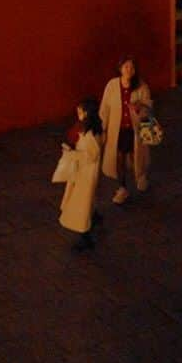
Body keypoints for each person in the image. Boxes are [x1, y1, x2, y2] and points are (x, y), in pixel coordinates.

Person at [100, 57, 154, 204]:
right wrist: (102, 128)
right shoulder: (112, 85)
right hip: (118, 131)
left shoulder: (141, 86)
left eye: (131, 67)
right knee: (120, 158)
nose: (128, 70)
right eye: (126, 67)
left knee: (136, 156)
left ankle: (140, 176)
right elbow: (105, 108)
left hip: (134, 130)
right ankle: (122, 187)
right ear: (120, 68)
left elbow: (148, 106)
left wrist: (139, 108)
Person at [56, 97, 103, 252]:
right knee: (86, 203)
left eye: (81, 111)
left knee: (81, 205)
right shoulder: (91, 131)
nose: (78, 114)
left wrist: (72, 153)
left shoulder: (89, 135)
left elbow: (90, 155)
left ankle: (86, 237)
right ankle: (93, 218)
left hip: (85, 175)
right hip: (84, 174)